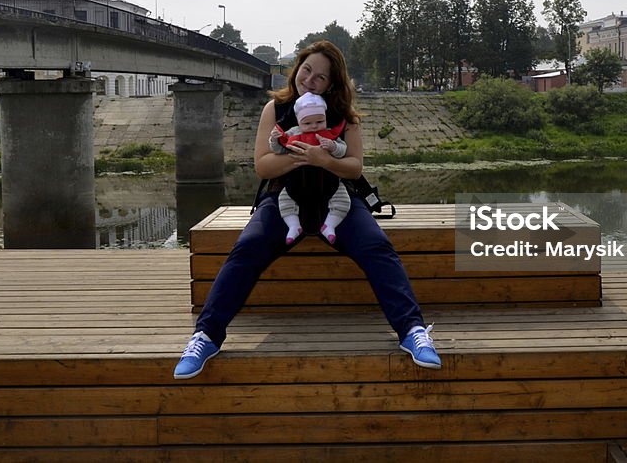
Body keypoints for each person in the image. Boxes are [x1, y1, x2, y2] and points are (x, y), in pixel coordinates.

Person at [174, 40, 441, 379]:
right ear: (296, 69)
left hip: (337, 200)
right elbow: (263, 167)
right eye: (306, 70)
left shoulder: (344, 117)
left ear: (332, 84)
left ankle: (412, 332)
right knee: (247, 248)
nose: (310, 80)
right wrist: (298, 155)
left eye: (320, 77)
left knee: (378, 247)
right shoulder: (275, 110)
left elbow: (355, 168)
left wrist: (324, 159)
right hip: (284, 199)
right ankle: (206, 336)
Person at [269, 91, 350, 245]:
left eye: (319, 121)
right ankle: (293, 225)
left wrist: (333, 147)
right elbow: (279, 150)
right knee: (284, 201)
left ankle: (329, 225)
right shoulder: (292, 133)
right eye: (307, 123)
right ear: (299, 122)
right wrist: (274, 140)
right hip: (297, 181)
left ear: (325, 119)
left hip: (328, 180)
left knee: (343, 201)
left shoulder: (329, 134)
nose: (314, 126)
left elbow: (342, 151)